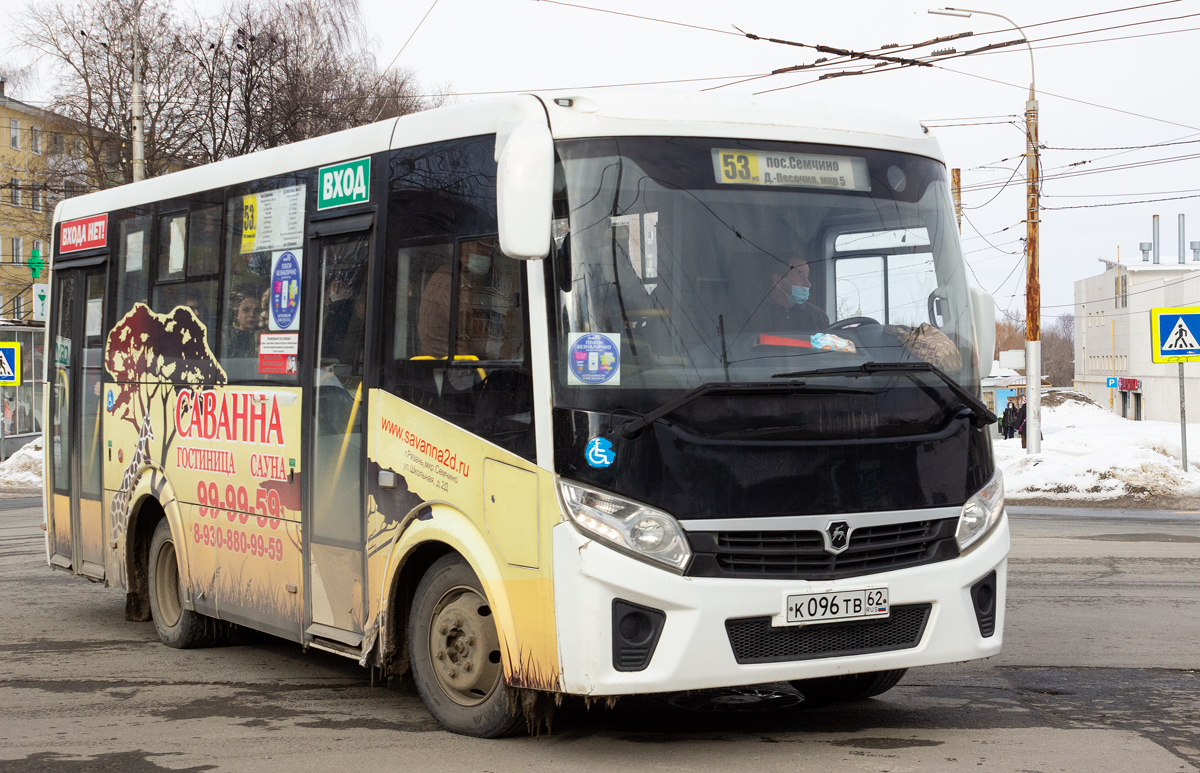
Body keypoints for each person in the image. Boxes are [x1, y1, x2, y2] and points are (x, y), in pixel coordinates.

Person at [758, 258, 830, 331]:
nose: (808, 284)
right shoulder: (754, 315)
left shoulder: (818, 317)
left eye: (807, 276)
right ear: (778, 280)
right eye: (801, 277)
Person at [227, 292, 261, 358]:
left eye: (257, 311)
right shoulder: (228, 336)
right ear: (236, 314)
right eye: (246, 310)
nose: (252, 315)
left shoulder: (264, 337)